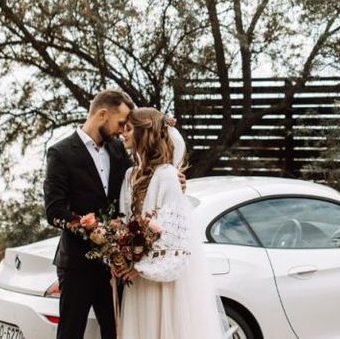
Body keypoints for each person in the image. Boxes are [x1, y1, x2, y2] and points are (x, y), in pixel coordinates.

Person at [118, 107, 230, 339]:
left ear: (144, 133)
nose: (123, 134)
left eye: (129, 129)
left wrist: (139, 268)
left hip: (159, 284)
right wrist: (121, 252)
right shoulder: (130, 176)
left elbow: (175, 239)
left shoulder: (167, 175)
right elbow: (123, 222)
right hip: (136, 284)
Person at [43, 90, 135, 339]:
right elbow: (54, 210)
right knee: (71, 333)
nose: (122, 130)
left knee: (116, 333)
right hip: (76, 264)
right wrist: (94, 232)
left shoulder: (118, 151)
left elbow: (136, 186)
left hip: (114, 266)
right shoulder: (61, 153)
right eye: (120, 123)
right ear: (103, 114)